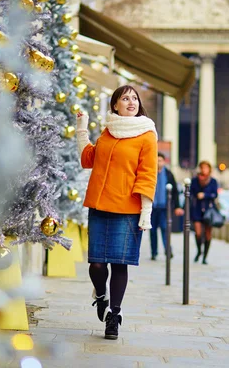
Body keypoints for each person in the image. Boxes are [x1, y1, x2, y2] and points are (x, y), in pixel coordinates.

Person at [76, 85, 157, 340]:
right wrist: (81, 128)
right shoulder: (108, 131)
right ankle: (101, 295)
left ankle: (114, 316)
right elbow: (89, 159)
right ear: (115, 105)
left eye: (134, 98)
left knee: (119, 264)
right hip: (100, 206)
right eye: (125, 98)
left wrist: (146, 210)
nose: (131, 102)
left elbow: (147, 174)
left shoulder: (146, 134)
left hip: (129, 209)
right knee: (97, 264)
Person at [149, 152, 184, 260]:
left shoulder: (168, 174)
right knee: (153, 230)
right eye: (157, 160)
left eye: (160, 160)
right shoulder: (150, 173)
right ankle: (154, 252)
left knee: (165, 229)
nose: (158, 162)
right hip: (152, 207)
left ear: (164, 162)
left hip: (164, 207)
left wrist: (177, 206)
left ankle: (168, 251)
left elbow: (175, 192)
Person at [190, 161, 219, 264]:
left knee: (207, 234)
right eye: (202, 168)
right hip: (197, 209)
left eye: (206, 168)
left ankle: (205, 256)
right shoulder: (195, 180)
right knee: (198, 233)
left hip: (208, 210)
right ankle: (199, 251)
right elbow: (190, 194)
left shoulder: (213, 181)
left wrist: (205, 195)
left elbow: (215, 194)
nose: (204, 170)